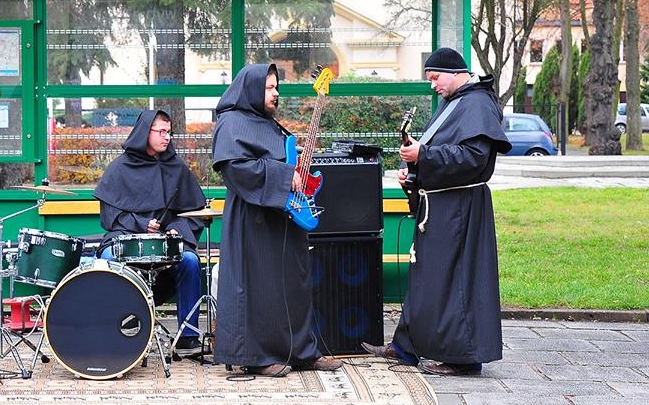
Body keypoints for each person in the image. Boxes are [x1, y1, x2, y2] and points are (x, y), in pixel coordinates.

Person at [362, 47, 512, 376]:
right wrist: (414, 171)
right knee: (427, 278)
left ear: (455, 71)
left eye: (435, 78)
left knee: (455, 281)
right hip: (440, 205)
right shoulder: (454, 103)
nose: (433, 85)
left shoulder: (478, 104)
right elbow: (441, 153)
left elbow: (473, 159)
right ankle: (406, 346)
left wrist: (424, 156)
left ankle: (464, 358)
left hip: (460, 209)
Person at [211, 63, 342, 377]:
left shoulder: (267, 124)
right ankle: (257, 356)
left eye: (276, 87)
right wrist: (285, 176)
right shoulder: (231, 123)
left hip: (283, 217)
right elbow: (236, 170)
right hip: (253, 222)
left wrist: (292, 163)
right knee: (259, 288)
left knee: (291, 285)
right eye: (269, 88)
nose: (276, 94)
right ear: (252, 89)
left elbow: (273, 158)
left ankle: (301, 351)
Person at [93, 110, 206, 356]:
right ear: (146, 132)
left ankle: (188, 334)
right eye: (161, 132)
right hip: (125, 238)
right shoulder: (120, 168)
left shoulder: (176, 168)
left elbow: (194, 212)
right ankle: (109, 329)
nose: (167, 138)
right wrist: (141, 224)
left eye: (169, 132)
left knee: (189, 260)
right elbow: (110, 217)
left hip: (167, 242)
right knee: (109, 261)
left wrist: (177, 228)